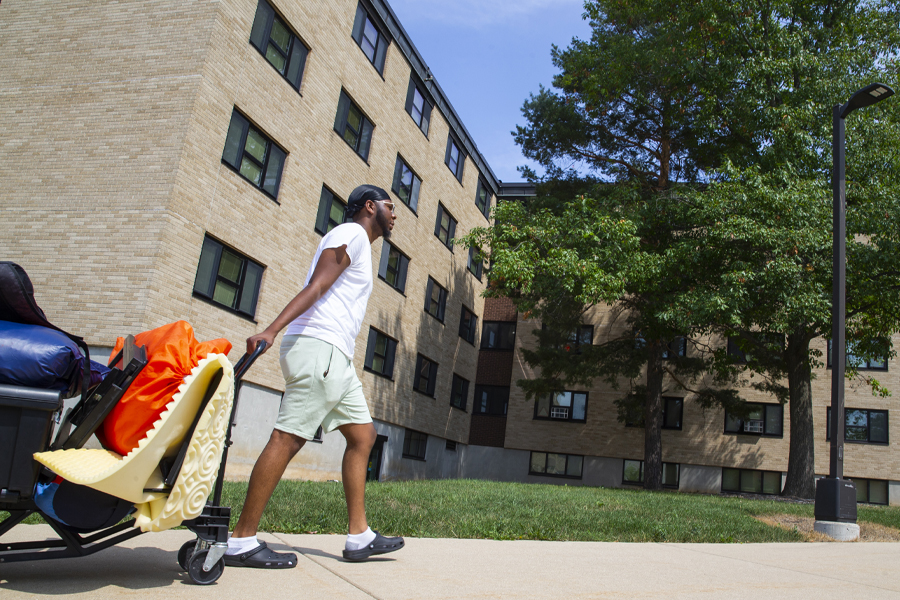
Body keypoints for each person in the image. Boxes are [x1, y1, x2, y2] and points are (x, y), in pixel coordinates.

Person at [225, 184, 404, 568]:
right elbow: (318, 286)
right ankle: (241, 540)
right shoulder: (350, 233)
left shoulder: (357, 242)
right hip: (318, 348)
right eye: (391, 206)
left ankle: (359, 537)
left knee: (363, 436)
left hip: (335, 357)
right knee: (287, 439)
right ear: (371, 207)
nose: (395, 214)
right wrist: (271, 330)